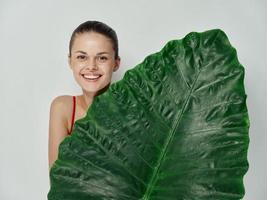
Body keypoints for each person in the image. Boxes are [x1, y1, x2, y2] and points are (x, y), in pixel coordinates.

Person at [48, 20, 121, 170]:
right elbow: (57, 179)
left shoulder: (134, 109)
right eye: (82, 57)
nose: (91, 67)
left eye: (102, 58)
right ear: (70, 62)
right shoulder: (63, 107)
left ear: (116, 64)